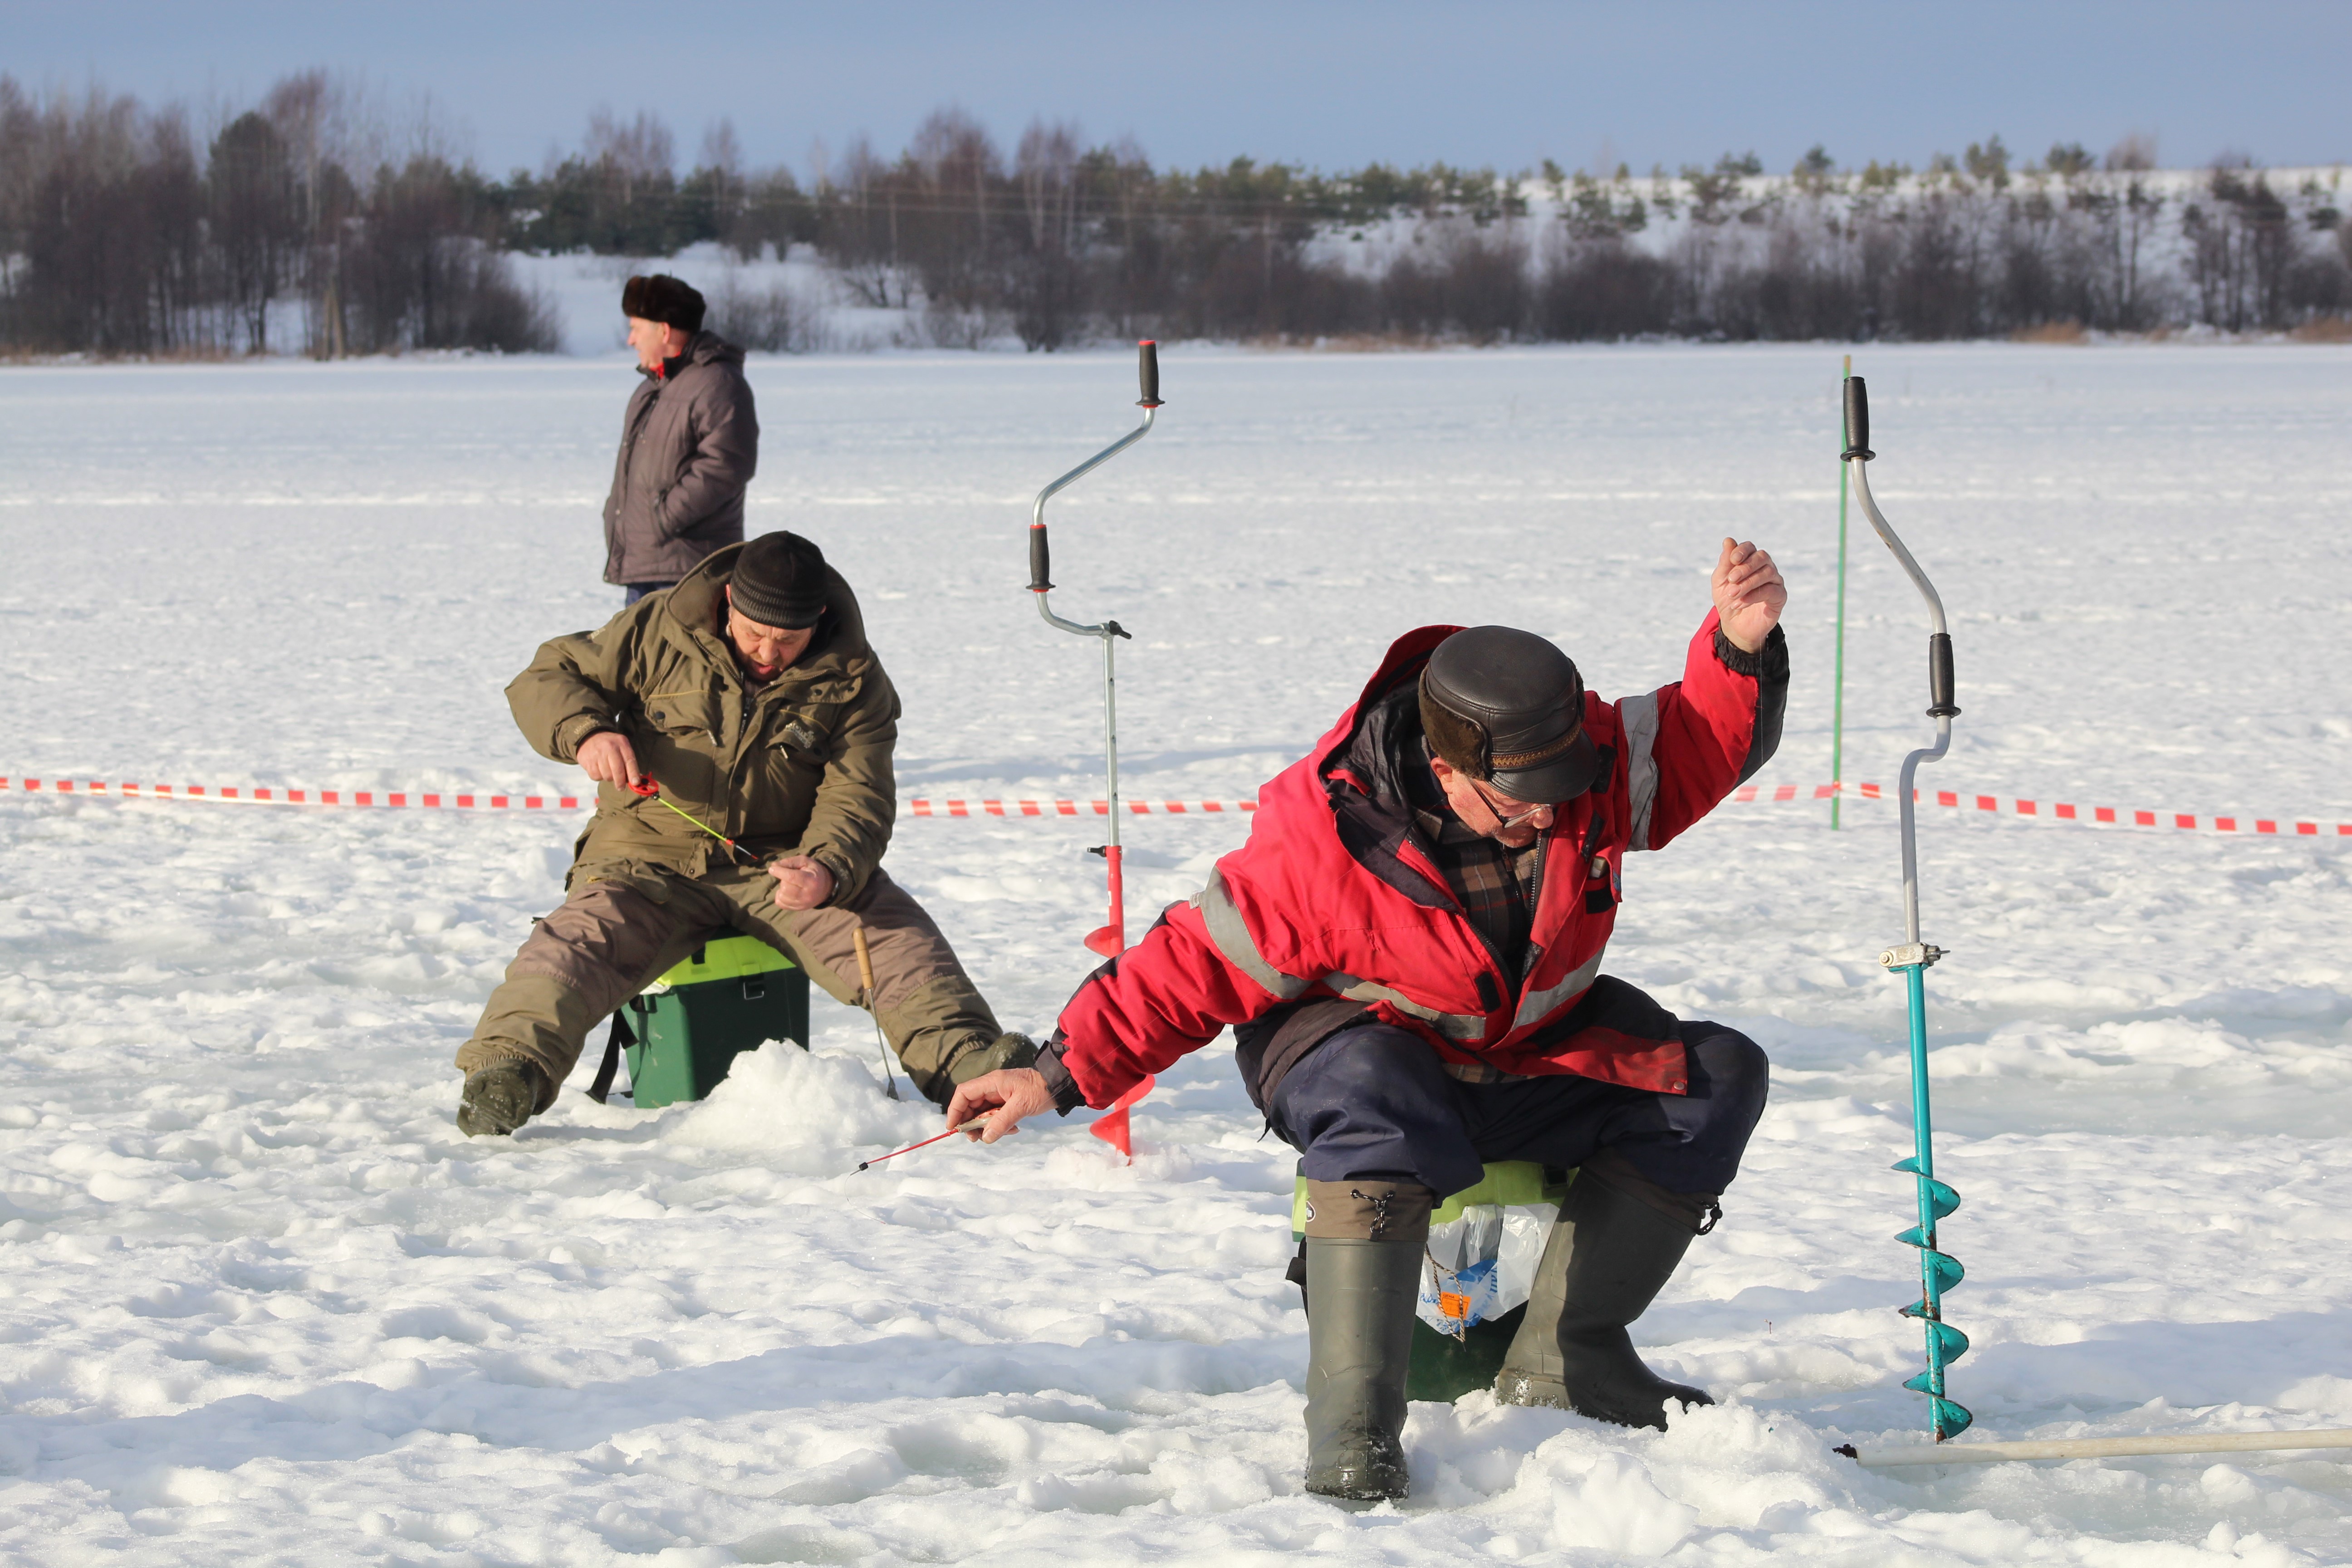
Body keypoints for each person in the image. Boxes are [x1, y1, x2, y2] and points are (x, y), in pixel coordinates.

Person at [948, 539, 1790, 1502]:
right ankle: (1354, 1428)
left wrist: (1735, 646)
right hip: (1358, 1053)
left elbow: (1693, 743)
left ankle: (1570, 1356)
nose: (1551, 820)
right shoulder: (1325, 842)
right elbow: (1190, 964)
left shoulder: (1576, 758)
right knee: (1375, 1093)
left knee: (1713, 1076)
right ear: (1445, 765)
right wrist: (1055, 1074)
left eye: (1564, 796)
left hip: (1516, 1050)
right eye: (1520, 807)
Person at [455, 530, 1035, 1136]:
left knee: (893, 939)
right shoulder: (655, 631)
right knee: (582, 941)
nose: (767, 651)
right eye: (755, 632)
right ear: (728, 600)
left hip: (784, 864)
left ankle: (971, 1067)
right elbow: (548, 673)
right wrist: (586, 730)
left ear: (820, 619)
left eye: (787, 639)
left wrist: (828, 866)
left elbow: (858, 793)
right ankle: (509, 1069)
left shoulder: (855, 679)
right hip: (647, 858)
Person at [604, 274, 758, 605]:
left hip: (688, 570)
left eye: (636, 328)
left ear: (664, 330)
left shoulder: (717, 383)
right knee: (640, 657)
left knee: (681, 658)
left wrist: (665, 517)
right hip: (646, 565)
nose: (631, 340)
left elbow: (727, 464)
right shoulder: (652, 388)